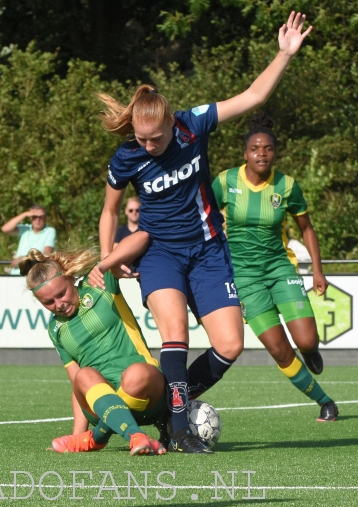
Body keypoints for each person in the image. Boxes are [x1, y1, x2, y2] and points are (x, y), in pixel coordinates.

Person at [91, 12, 312, 454]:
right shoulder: (126, 157)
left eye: (154, 139)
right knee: (176, 333)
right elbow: (109, 212)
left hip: (210, 251)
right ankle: (177, 429)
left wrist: (284, 55)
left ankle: (165, 407)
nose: (147, 147)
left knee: (230, 344)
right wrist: (109, 261)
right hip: (159, 254)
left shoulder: (194, 124)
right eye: (140, 138)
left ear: (172, 123)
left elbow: (252, 95)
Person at [212, 112, 338, 421]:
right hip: (244, 278)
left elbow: (306, 228)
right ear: (245, 153)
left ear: (274, 152)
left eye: (267, 148)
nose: (261, 154)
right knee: (279, 349)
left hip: (280, 269)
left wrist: (318, 270)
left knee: (306, 339)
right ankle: (325, 401)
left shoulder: (287, 185)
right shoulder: (226, 181)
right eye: (255, 148)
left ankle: (309, 350)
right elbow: (204, 218)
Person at [18, 247, 169, 455]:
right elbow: (78, 384)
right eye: (48, 302)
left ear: (70, 278)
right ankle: (136, 436)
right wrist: (76, 434)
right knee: (84, 374)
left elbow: (132, 242)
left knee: (136, 375)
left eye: (61, 294)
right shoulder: (55, 329)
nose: (59, 305)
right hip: (100, 404)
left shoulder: (99, 284)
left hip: (148, 396)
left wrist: (105, 263)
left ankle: (98, 437)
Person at [1, 205, 56, 275]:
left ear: (45, 218)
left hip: (35, 274)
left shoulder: (50, 231)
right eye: (34, 216)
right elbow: (5, 229)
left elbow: (47, 253)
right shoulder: (25, 229)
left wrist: (25, 259)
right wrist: (24, 214)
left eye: (40, 217)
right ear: (30, 218)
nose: (37, 219)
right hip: (17, 272)